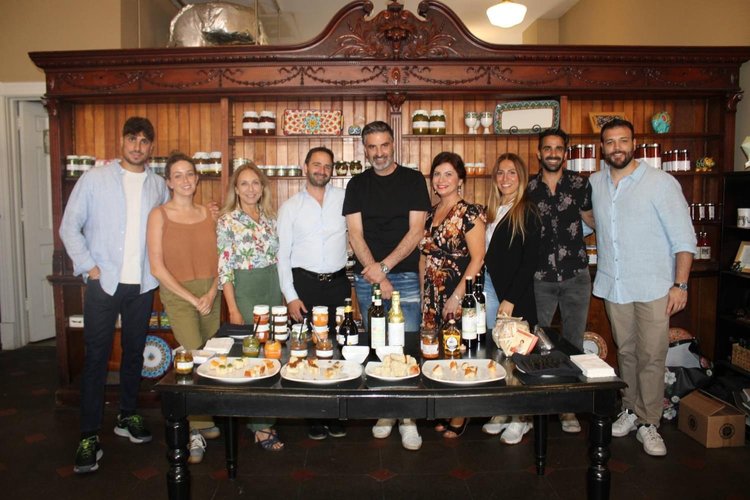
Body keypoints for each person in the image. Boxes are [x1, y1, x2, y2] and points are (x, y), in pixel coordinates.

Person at [60, 116, 169, 474]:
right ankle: (89, 435)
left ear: (151, 146)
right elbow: (69, 226)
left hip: (143, 283)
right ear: (121, 142)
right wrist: (89, 267)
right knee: (96, 357)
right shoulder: (95, 179)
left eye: (144, 141)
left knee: (134, 353)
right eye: (132, 139)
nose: (137, 146)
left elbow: (171, 223)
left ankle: (127, 415)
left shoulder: (158, 185)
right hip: (103, 283)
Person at [590, 118, 695, 457]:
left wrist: (681, 285)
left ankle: (650, 422)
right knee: (627, 352)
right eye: (610, 142)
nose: (617, 147)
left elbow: (684, 238)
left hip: (653, 286)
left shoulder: (660, 182)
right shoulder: (595, 183)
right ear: (602, 148)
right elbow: (591, 220)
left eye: (623, 140)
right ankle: (631, 410)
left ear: (633, 143)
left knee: (652, 355)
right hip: (615, 284)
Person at [343, 120, 431, 450]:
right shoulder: (356, 184)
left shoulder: (412, 180)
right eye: (372, 147)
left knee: (405, 348)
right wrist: (377, 275)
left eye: (384, 145)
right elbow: (355, 234)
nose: (379, 152)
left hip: (404, 276)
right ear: (364, 150)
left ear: (393, 145)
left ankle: (407, 419)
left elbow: (416, 231)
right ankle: (385, 412)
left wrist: (385, 268)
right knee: (380, 348)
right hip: (368, 279)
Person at [146, 152, 221, 464]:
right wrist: (192, 299)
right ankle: (194, 430)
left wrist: (212, 292)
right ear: (168, 182)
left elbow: (222, 257)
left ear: (197, 178)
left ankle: (204, 417)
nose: (185, 180)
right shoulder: (159, 215)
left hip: (210, 291)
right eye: (178, 175)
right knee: (192, 355)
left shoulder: (209, 213)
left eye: (190, 173)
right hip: (179, 294)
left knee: (211, 357)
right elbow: (157, 267)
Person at [277, 146, 349, 441]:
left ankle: (336, 412)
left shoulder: (344, 199)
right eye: (316, 164)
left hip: (338, 284)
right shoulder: (290, 207)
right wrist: (290, 295)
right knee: (306, 350)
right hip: (303, 286)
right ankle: (313, 415)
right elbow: (282, 255)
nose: (322, 170)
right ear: (305, 167)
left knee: (338, 349)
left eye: (327, 166)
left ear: (333, 170)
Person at [527, 128, 595, 434]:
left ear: (565, 153)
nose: (553, 153)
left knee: (574, 343)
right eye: (548, 148)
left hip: (575, 275)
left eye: (558, 148)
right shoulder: (529, 188)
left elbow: (594, 220)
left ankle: (569, 409)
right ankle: (535, 409)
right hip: (540, 276)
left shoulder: (580, 184)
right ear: (539, 153)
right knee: (537, 343)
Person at [216, 162, 284, 451]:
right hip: (245, 287)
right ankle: (259, 425)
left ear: (262, 187)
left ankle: (266, 414)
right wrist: (233, 307)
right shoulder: (227, 221)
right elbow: (225, 269)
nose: (250, 189)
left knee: (273, 349)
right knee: (251, 351)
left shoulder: (270, 218)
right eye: (244, 183)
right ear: (235, 188)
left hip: (271, 284)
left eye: (255, 183)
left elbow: (278, 258)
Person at [419, 151, 485, 439]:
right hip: (431, 294)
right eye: (437, 174)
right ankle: (446, 406)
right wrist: (424, 294)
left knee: (458, 351)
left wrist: (457, 297)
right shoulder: (430, 213)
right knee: (436, 353)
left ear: (460, 180)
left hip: (459, 291)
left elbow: (478, 258)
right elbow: (424, 256)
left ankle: (461, 411)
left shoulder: (469, 213)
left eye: (448, 174)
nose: (441, 179)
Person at [480, 153, 541, 445]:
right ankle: (503, 410)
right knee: (498, 354)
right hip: (491, 289)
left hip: (514, 295)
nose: (505, 179)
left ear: (522, 178)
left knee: (518, 357)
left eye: (512, 173)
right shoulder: (493, 210)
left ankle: (521, 418)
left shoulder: (527, 210)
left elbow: (530, 262)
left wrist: (511, 299)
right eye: (501, 173)